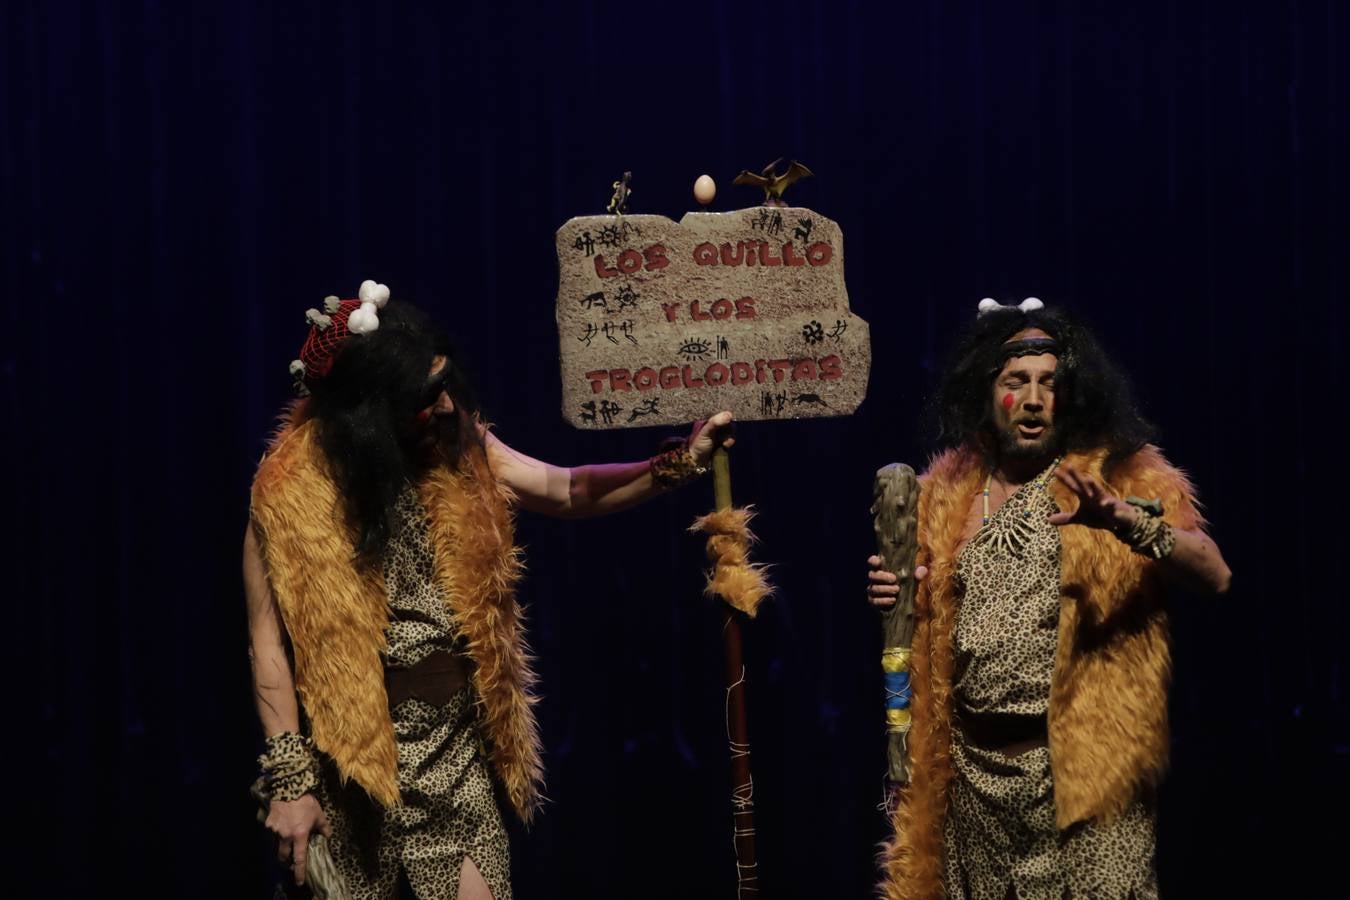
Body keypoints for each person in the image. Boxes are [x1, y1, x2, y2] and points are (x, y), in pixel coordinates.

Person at [245, 282, 732, 899]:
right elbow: (267, 643)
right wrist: (292, 786)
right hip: (352, 767)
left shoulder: (459, 447)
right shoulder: (288, 489)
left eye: (445, 384)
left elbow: (567, 489)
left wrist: (678, 464)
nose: (447, 406)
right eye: (425, 397)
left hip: (453, 755)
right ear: (371, 411)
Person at [867, 298, 1230, 899]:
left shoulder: (1118, 477)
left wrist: (1123, 519)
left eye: (1050, 384)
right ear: (987, 392)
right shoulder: (946, 493)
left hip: (1083, 787)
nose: (1033, 399)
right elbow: (924, 622)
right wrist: (900, 594)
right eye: (1017, 382)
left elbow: (1216, 574)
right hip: (972, 792)